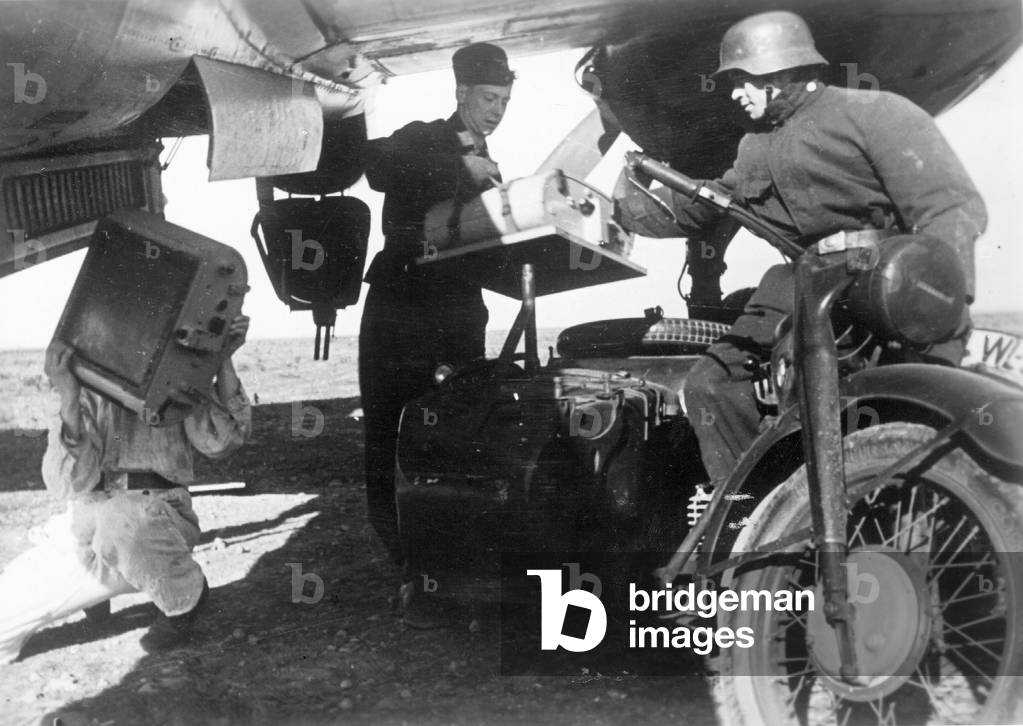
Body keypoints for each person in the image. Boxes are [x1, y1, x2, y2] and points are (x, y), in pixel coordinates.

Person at [614, 10, 986, 486]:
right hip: (803, 281)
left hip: (880, 278)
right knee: (712, 385)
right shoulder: (755, 147)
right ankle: (759, 511)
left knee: (874, 404)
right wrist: (625, 209)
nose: (733, 93)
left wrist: (938, 312)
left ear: (782, 71)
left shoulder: (876, 114)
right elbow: (707, 206)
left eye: (742, 80)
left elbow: (950, 209)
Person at [0, 315, 251, 663]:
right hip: (88, 524)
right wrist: (69, 398)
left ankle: (185, 596)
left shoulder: (176, 377)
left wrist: (221, 359)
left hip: (152, 522)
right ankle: (95, 595)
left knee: (120, 520)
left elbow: (224, 441)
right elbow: (65, 484)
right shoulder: (83, 379)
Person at [357, 42, 514, 571]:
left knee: (455, 431)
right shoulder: (428, 135)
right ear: (462, 92)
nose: (497, 108)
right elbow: (374, 161)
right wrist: (458, 169)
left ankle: (444, 558)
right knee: (391, 430)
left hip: (457, 312)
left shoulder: (486, 158)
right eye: (488, 97)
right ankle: (405, 556)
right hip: (401, 310)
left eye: (504, 99)